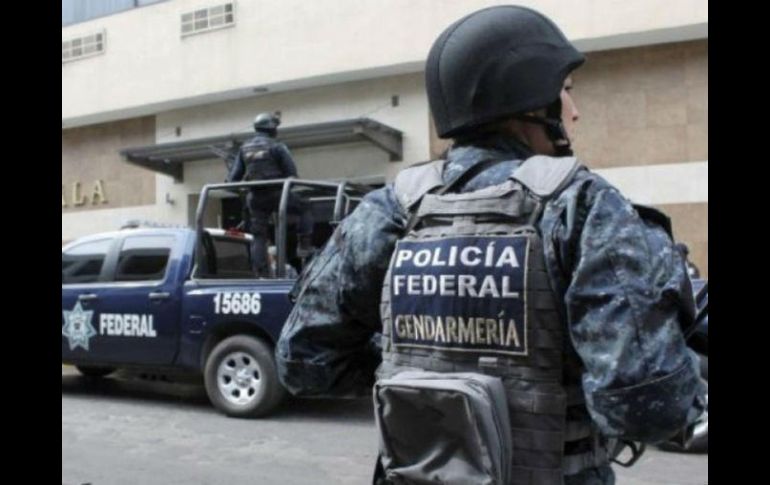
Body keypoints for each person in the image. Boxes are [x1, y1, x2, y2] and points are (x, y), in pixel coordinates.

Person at [276, 5, 706, 484]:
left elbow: (303, 362)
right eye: (566, 91)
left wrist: (426, 370)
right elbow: (646, 408)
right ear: (530, 98)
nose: (575, 110)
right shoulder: (582, 207)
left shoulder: (389, 208)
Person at [226, 112, 314, 276]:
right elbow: (292, 174)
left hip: (255, 198)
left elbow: (232, 179)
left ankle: (261, 272)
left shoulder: (244, 148)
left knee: (259, 235)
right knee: (305, 206)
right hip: (277, 194)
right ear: (272, 129)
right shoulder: (277, 146)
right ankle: (304, 245)